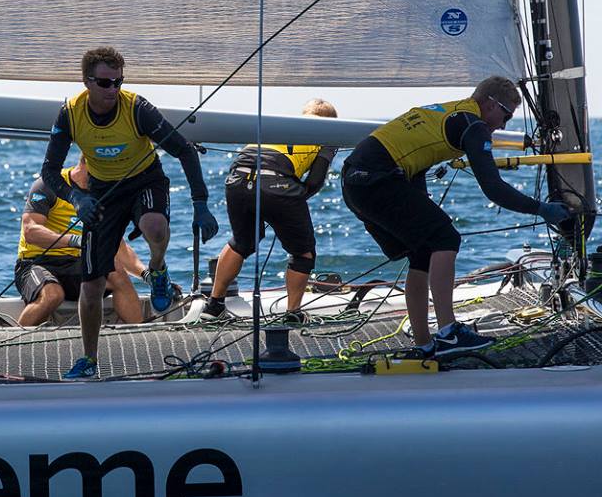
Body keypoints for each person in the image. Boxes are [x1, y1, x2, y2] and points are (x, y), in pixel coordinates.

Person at [341, 76, 570, 356]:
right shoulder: (475, 126)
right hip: (377, 178)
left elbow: (415, 159)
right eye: (505, 114)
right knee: (446, 237)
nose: (504, 125)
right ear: (488, 103)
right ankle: (449, 332)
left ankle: (425, 345)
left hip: (355, 180)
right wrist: (542, 209)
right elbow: (494, 188)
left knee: (423, 251)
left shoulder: (449, 110)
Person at [41, 46, 219, 380]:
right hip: (102, 193)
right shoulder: (70, 114)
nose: (113, 90)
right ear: (87, 81)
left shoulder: (137, 109)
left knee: (154, 227)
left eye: (119, 82)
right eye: (106, 83)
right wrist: (77, 198)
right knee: (91, 286)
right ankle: (89, 359)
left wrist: (200, 203)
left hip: (144, 181)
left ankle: (158, 270)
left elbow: (184, 150)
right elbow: (50, 172)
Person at [201, 99, 338, 323]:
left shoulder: (281, 123)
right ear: (333, 122)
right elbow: (314, 182)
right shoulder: (328, 132)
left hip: (237, 178)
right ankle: (293, 313)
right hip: (276, 179)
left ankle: (214, 305)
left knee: (242, 242)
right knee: (303, 252)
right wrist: (293, 195)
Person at [15, 155, 150, 326]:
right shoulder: (48, 184)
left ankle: (138, 335)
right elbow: (31, 231)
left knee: (115, 269)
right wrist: (75, 240)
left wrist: (147, 275)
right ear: (87, 162)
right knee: (53, 294)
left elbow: (117, 246)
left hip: (77, 265)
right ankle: (13, 344)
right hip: (36, 263)